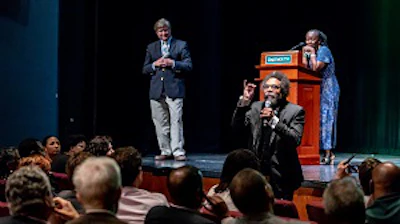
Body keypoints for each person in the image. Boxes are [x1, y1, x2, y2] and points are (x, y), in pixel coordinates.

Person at [231, 71, 305, 200]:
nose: (269, 90)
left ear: (283, 91)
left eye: (275, 87)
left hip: (282, 175)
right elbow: (237, 128)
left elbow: (295, 139)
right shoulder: (255, 107)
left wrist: (274, 121)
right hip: (257, 173)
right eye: (266, 87)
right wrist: (245, 101)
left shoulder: (295, 111)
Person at [142, 18, 193, 161]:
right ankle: (165, 150)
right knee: (160, 121)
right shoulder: (151, 47)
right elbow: (145, 69)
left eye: (166, 30)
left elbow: (188, 65)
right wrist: (155, 64)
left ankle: (177, 151)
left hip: (175, 89)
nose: (163, 33)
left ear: (170, 30)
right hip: (157, 90)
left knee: (176, 121)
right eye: (160, 31)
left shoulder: (181, 45)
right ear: (156, 33)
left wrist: (173, 63)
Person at [301, 29, 340, 165]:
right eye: (307, 39)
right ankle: (318, 151)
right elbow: (306, 69)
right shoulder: (310, 50)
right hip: (315, 87)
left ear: (319, 40)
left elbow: (316, 68)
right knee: (317, 120)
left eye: (312, 39)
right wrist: (304, 56)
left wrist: (311, 54)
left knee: (326, 119)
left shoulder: (324, 50)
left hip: (328, 88)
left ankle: (328, 154)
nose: (309, 42)